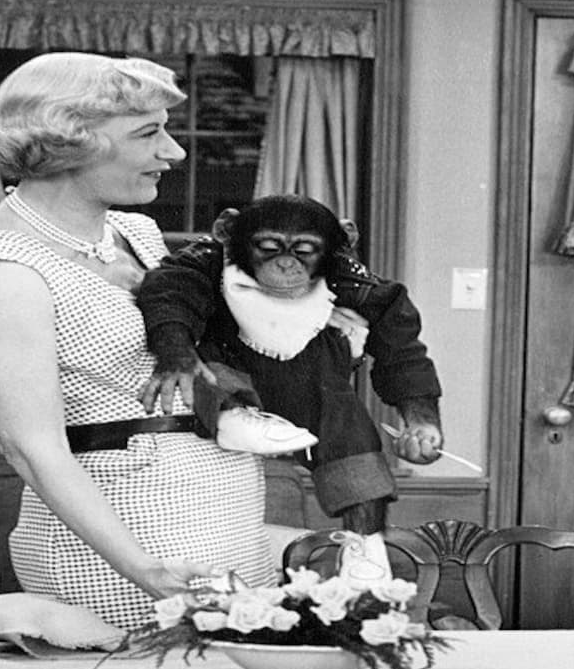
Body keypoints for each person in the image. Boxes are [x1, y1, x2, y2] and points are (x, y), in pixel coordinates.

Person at [0, 52, 276, 630]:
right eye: (148, 133)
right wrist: (147, 571)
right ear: (69, 142)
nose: (174, 151)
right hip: (120, 556)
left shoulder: (135, 233)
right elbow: (30, 448)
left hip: (226, 523)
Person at [136, 194, 444, 538]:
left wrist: (421, 420)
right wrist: (176, 352)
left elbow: (400, 347)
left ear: (341, 243)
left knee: (352, 441)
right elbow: (170, 290)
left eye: (304, 251)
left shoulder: (344, 274)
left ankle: (367, 551)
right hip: (229, 376)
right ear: (227, 230)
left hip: (313, 385)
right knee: (204, 357)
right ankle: (234, 414)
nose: (285, 264)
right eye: (268, 248)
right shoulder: (211, 258)